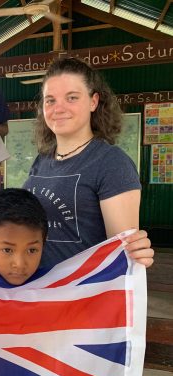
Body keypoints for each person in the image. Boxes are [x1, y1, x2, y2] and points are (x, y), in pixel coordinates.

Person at [23, 57, 154, 268]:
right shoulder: (42, 160)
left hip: (80, 294)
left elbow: (122, 255)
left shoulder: (111, 163)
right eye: (50, 100)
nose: (59, 108)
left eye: (72, 98)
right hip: (36, 289)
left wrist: (138, 254)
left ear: (93, 101)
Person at [0, 189, 48, 286]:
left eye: (32, 250)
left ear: (44, 242)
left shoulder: (56, 288)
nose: (19, 264)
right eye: (7, 250)